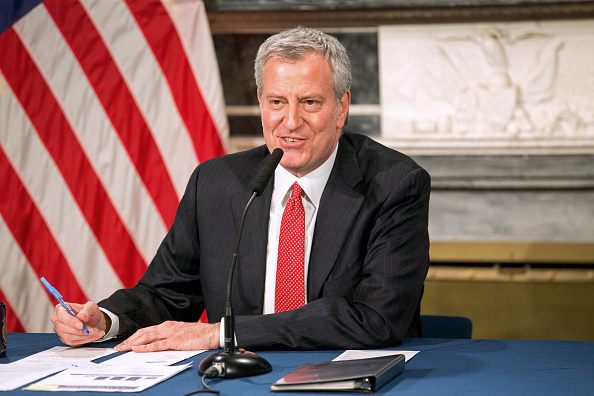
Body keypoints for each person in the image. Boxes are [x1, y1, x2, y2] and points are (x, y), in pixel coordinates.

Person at [51, 26, 430, 352]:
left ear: (341, 107)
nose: (290, 121)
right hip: (237, 377)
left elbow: (375, 318)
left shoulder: (395, 184)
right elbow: (168, 294)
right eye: (277, 102)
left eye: (310, 102)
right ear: (261, 104)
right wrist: (105, 319)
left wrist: (224, 333)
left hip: (342, 376)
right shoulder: (216, 183)